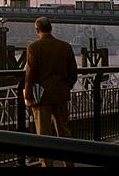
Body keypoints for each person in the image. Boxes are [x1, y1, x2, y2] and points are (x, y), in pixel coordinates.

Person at [23, 16, 78, 167]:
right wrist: (65, 87)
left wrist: (28, 96)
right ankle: (69, 164)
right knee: (64, 133)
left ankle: (47, 164)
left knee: (44, 136)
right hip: (61, 95)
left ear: (37, 30)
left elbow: (30, 75)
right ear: (51, 28)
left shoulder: (33, 47)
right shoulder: (65, 46)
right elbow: (73, 73)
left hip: (41, 97)